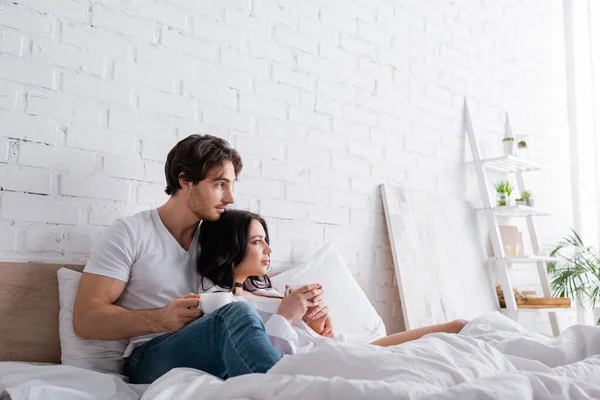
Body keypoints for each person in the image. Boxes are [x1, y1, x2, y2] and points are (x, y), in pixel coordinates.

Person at [72, 135, 328, 384]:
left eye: (231, 185)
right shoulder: (131, 233)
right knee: (237, 314)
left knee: (243, 314)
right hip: (152, 355)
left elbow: (246, 290)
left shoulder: (218, 238)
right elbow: (86, 318)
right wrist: (160, 318)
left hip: (216, 349)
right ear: (185, 181)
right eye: (219, 185)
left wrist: (304, 316)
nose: (230, 197)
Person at [196, 209, 469, 355]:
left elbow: (309, 339)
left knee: (461, 327)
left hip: (338, 349)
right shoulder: (227, 307)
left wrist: (318, 324)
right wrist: (286, 317)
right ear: (229, 248)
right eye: (257, 242)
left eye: (266, 241)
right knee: (455, 331)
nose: (268, 250)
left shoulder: (267, 290)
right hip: (327, 361)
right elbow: (262, 361)